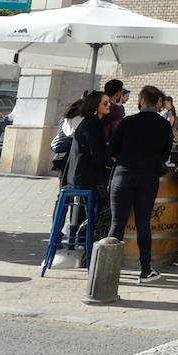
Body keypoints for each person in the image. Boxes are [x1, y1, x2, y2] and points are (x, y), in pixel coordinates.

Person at [107, 85, 174, 283]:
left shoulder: (128, 122)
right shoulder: (164, 126)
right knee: (143, 223)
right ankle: (145, 270)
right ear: (158, 103)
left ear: (142, 100)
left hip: (124, 175)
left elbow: (112, 148)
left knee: (117, 223)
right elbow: (165, 154)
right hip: (148, 178)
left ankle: (109, 271)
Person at [61, 90, 113, 246]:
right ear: (95, 106)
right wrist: (112, 164)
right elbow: (97, 157)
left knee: (110, 201)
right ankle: (87, 234)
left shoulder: (88, 122)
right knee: (117, 203)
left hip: (78, 176)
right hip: (87, 178)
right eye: (105, 103)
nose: (109, 105)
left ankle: (87, 233)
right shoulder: (94, 125)